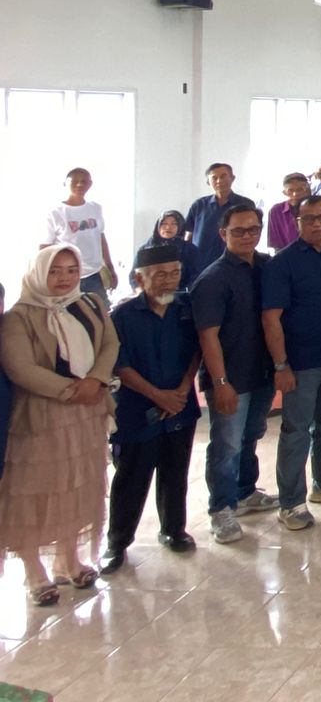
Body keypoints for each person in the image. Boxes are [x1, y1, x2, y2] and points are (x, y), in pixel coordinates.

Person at [0, 245, 118, 605]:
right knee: (34, 493)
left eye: (71, 270)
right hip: (42, 417)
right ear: (38, 273)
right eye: (54, 271)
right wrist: (72, 390)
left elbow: (110, 343)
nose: (64, 278)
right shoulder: (19, 316)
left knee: (77, 486)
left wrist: (95, 380)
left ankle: (69, 561)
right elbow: (20, 368)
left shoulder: (90, 303)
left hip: (86, 413)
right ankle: (34, 571)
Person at [262, 193, 321, 531]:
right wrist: (281, 365)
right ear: (297, 222)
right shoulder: (282, 263)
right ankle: (291, 503)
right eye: (309, 219)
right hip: (301, 361)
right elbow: (271, 319)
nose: (317, 224)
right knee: (296, 430)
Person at [101, 244, 200, 572]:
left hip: (180, 407)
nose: (169, 281)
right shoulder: (122, 316)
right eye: (160, 275)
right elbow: (120, 365)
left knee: (176, 472)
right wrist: (159, 396)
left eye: (175, 273)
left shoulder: (186, 309)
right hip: (137, 411)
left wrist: (182, 390)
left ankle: (173, 530)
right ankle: (117, 543)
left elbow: (196, 351)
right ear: (140, 279)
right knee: (132, 476)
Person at [190, 202, 278, 543]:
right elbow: (207, 337)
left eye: (253, 229)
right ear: (222, 233)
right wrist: (220, 382)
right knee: (226, 444)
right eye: (238, 230)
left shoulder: (265, 267)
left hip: (261, 372)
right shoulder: (212, 279)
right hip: (229, 378)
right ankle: (221, 508)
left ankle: (244, 492)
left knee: (250, 436)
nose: (247, 236)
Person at [42, 167, 117, 301]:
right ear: (65, 183)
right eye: (74, 181)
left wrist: (110, 268)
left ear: (90, 184)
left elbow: (101, 239)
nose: (79, 185)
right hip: (66, 277)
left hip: (94, 274)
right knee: (67, 312)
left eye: (84, 181)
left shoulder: (95, 208)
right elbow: (44, 247)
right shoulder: (55, 213)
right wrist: (46, 275)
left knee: (100, 311)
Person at [184, 163, 255, 268]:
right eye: (214, 178)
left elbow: (253, 232)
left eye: (223, 176)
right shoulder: (199, 205)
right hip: (201, 264)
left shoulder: (246, 204)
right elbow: (189, 235)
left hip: (236, 264)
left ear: (232, 178)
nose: (219, 181)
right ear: (208, 182)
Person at [138, 210, 202, 291]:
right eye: (164, 224)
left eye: (174, 224)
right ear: (158, 226)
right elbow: (134, 275)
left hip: (179, 294)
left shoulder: (189, 249)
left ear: (180, 227)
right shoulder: (146, 248)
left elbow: (196, 277)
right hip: (150, 294)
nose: (168, 227)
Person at [267, 173, 311, 252]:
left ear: (307, 190)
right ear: (284, 192)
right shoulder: (276, 211)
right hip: (286, 256)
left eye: (300, 189)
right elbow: (275, 243)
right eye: (291, 190)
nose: (295, 194)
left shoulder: (316, 208)